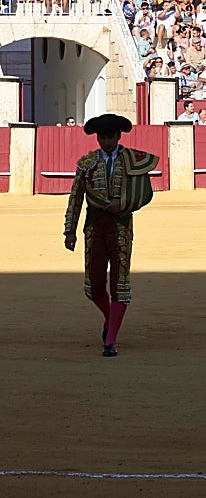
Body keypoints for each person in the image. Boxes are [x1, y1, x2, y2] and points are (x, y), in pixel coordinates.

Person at [63, 114, 159, 357]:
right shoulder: (87, 163)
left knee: (120, 283)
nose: (105, 142)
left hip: (121, 226)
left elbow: (143, 194)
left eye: (110, 137)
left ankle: (111, 340)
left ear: (118, 136)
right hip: (94, 227)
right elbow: (75, 199)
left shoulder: (132, 160)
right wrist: (69, 230)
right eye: (102, 137)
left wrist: (122, 203)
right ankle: (110, 319)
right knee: (94, 285)